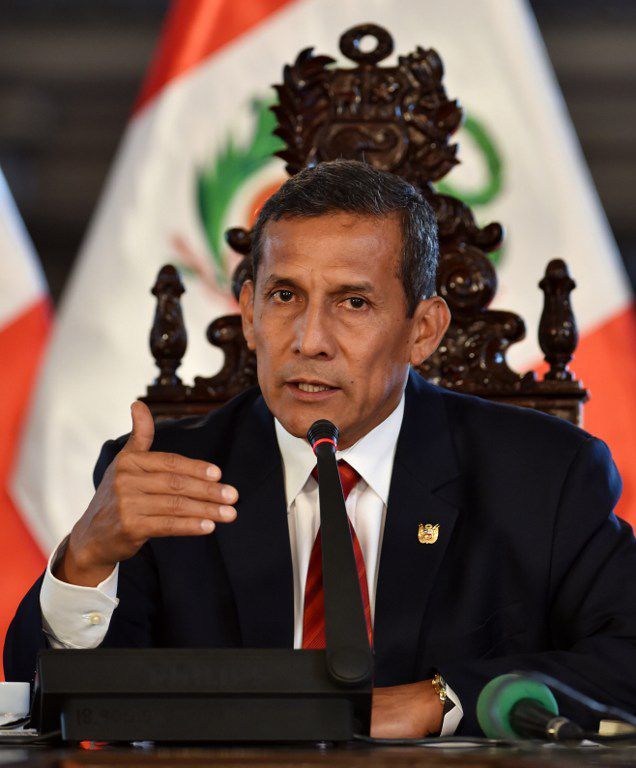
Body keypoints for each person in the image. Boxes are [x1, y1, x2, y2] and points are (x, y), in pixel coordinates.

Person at [4, 160, 636, 738]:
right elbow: (53, 703)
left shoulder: (542, 477)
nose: (309, 341)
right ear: (249, 312)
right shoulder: (163, 475)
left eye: (353, 302)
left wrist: (437, 700)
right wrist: (85, 560)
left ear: (423, 330)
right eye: (285, 297)